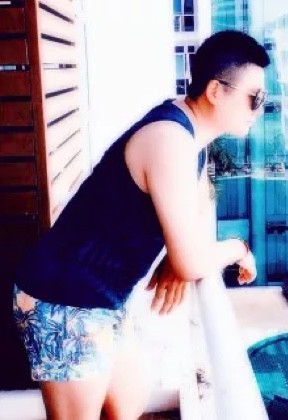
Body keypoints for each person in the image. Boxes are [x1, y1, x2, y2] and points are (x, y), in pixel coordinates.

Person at [13, 30, 270, 419]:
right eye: (255, 98)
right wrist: (238, 249)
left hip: (101, 299)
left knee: (129, 401)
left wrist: (178, 255)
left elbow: (194, 215)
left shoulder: (190, 137)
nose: (259, 110)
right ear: (216, 91)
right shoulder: (170, 139)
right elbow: (192, 260)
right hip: (65, 299)